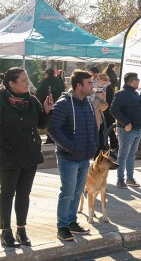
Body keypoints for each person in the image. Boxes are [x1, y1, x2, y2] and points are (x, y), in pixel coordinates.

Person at [0, 68, 53, 247]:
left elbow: (41, 125)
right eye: (24, 80)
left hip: (30, 153)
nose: (28, 82)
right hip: (8, 155)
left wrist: (46, 112)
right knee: (7, 194)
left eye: (27, 79)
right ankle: (5, 231)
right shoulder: (1, 100)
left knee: (24, 194)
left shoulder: (31, 99)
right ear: (11, 84)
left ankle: (21, 229)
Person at [47, 69, 98, 241]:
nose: (93, 86)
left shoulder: (88, 103)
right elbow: (53, 129)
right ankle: (62, 226)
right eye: (89, 83)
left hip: (85, 156)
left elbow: (93, 128)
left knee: (77, 192)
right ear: (79, 86)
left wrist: (94, 147)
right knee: (67, 192)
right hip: (69, 157)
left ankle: (71, 222)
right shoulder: (64, 103)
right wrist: (71, 147)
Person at [110, 72, 141, 189]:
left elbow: (135, 109)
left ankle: (130, 178)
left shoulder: (135, 94)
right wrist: (125, 122)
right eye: (137, 80)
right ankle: (120, 179)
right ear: (132, 81)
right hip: (127, 129)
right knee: (123, 155)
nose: (139, 82)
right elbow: (113, 110)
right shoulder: (121, 94)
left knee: (131, 155)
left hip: (136, 128)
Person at [35, 68, 66, 144]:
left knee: (50, 122)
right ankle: (55, 139)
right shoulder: (59, 80)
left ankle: (50, 139)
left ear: (47, 74)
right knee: (57, 122)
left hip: (49, 103)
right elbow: (63, 90)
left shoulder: (46, 81)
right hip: (59, 103)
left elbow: (39, 93)